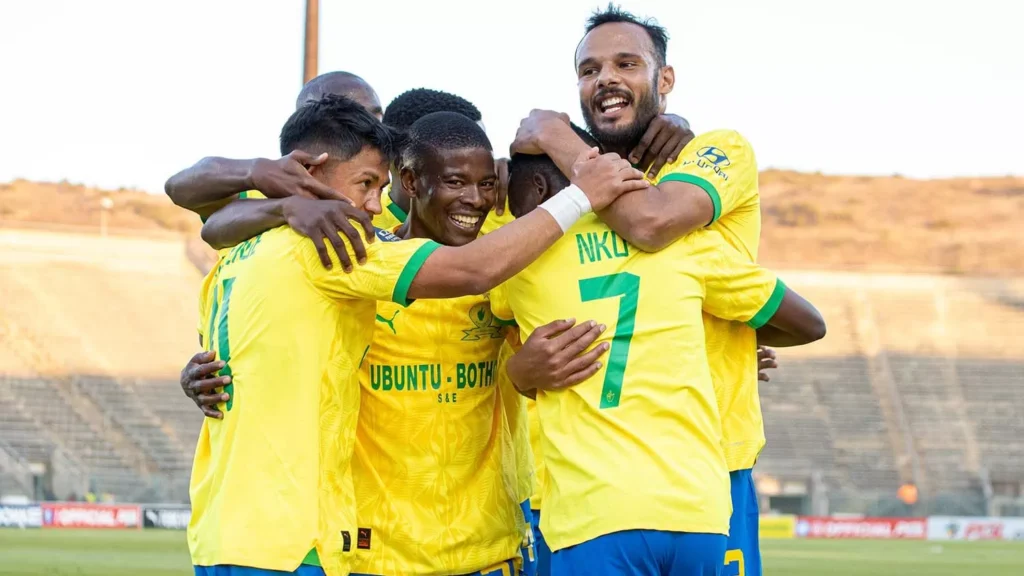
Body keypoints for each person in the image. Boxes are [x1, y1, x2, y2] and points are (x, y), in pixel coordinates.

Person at [185, 95, 649, 576]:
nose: (473, 197)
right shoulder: (350, 243)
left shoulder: (511, 235)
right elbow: (474, 270)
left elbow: (208, 217)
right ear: (410, 180)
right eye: (453, 181)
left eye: (485, 183)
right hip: (368, 550)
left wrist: (519, 373)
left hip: (487, 545)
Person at [509, 6, 791, 575]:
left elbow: (650, 222)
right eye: (589, 70)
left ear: (664, 81)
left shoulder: (715, 152)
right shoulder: (548, 192)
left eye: (627, 63)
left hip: (708, 470)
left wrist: (555, 132)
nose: (605, 78)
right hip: (572, 483)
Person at [492, 132, 825, 575]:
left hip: (596, 513)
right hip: (699, 514)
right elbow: (809, 323)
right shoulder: (682, 243)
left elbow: (486, 296)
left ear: (537, 190)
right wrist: (736, 343)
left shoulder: (520, 260)